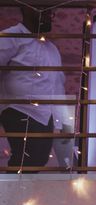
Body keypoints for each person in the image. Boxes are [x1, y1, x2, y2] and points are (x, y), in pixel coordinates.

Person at [0, 7, 72, 172]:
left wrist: (64, 121)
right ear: (29, 11)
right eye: (45, 13)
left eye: (50, 14)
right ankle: (11, 194)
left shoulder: (51, 49)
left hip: (45, 115)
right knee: (28, 158)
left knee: (39, 159)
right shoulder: (11, 37)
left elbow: (57, 86)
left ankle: (20, 194)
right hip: (19, 110)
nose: (49, 18)